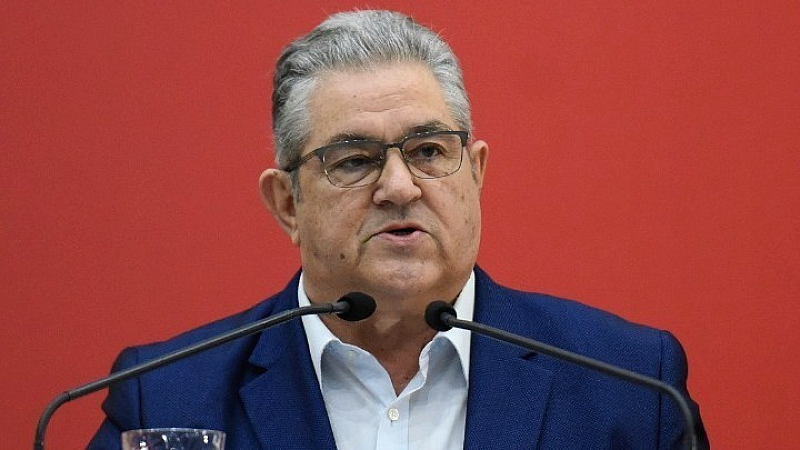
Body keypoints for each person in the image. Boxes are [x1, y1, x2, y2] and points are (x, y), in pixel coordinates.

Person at [89, 10, 708, 449]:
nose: (399, 187)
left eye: (429, 151)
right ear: (287, 204)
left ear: (476, 174)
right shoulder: (164, 397)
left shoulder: (629, 388)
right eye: (353, 160)